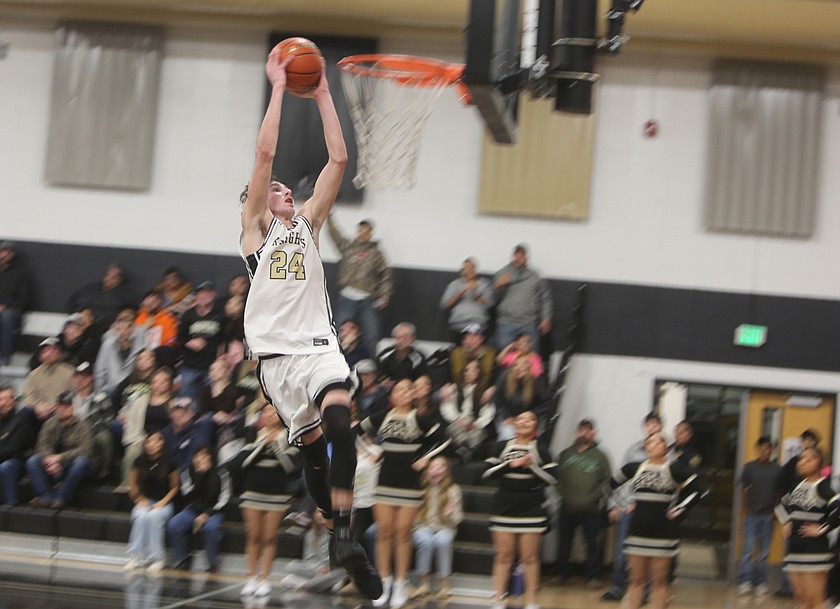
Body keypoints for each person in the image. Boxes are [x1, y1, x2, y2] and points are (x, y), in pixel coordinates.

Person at [238, 49, 380, 599]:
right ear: (255, 203)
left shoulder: (308, 226)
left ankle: (344, 536)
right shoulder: (256, 233)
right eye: (274, 189)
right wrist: (278, 86)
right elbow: (264, 152)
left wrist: (322, 94)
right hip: (278, 362)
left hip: (319, 347)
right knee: (313, 451)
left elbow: (338, 159)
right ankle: (329, 522)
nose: (284, 191)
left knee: (341, 423)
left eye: (285, 188)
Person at [359, 379, 450, 608]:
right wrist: (372, 450)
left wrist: (425, 458)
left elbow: (444, 439)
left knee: (402, 534)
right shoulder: (383, 416)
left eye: (406, 390)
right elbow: (356, 430)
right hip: (385, 481)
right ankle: (384, 581)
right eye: (397, 390)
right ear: (393, 395)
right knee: (383, 533)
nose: (401, 393)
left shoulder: (420, 418)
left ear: (413, 394)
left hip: (409, 483)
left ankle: (400, 583)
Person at [609, 431, 703, 609]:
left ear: (665, 447)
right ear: (645, 446)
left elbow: (698, 491)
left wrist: (679, 509)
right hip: (637, 530)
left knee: (659, 581)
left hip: (663, 532)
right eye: (650, 442)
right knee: (636, 580)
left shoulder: (674, 469)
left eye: (658, 442)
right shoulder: (634, 468)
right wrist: (623, 505)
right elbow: (610, 485)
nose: (653, 445)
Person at [483, 410, 558, 609]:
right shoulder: (500, 446)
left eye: (530, 419)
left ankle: (531, 602)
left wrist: (531, 466)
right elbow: (486, 473)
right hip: (504, 507)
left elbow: (552, 479)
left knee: (530, 558)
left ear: (535, 426)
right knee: (503, 556)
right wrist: (511, 464)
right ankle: (497, 600)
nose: (524, 422)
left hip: (531, 508)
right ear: (514, 424)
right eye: (520, 419)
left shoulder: (541, 449)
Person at [235, 404, 303, 598]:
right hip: (252, 491)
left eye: (274, 411)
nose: (270, 415)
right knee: (253, 536)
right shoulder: (253, 434)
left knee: (269, 537)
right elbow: (243, 462)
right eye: (266, 412)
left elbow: (291, 467)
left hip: (277, 494)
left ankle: (264, 579)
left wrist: (276, 446)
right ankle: (251, 577)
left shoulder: (290, 437)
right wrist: (263, 443)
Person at [601, 412, 663, 602]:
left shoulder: (667, 456)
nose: (652, 428)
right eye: (649, 424)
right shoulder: (633, 452)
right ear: (644, 427)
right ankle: (618, 587)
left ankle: (645, 591)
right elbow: (617, 482)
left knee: (649, 553)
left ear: (660, 427)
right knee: (622, 550)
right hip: (629, 508)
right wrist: (617, 505)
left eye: (655, 425)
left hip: (653, 512)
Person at [775, 446, 839, 609]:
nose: (801, 463)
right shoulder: (797, 486)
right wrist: (785, 522)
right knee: (801, 599)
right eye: (800, 459)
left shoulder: (822, 487)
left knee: (815, 601)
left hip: (814, 552)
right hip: (793, 550)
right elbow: (780, 506)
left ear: (816, 462)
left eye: (806, 459)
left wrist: (822, 528)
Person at [555, 418, 611, 585]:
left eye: (588, 430)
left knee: (592, 544)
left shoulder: (601, 456)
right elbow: (556, 478)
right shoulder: (565, 454)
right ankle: (562, 575)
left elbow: (606, 481)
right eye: (582, 430)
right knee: (564, 543)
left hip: (592, 509)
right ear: (577, 433)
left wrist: (594, 497)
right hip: (567, 507)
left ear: (594, 433)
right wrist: (564, 495)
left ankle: (592, 577)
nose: (584, 433)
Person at [326, 215, 393, 350]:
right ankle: (338, 361)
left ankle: (370, 362)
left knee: (372, 334)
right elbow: (334, 234)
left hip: (367, 299)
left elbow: (385, 275)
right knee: (340, 333)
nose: (364, 233)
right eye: (361, 230)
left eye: (367, 231)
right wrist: (329, 216)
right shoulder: (348, 247)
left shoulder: (376, 254)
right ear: (358, 231)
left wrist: (385, 295)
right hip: (347, 297)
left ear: (371, 233)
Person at [26, 390, 94, 509]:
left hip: (72, 464)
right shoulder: (49, 424)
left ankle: (62, 498)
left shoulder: (83, 425)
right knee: (33, 461)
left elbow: (85, 450)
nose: (63, 409)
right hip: (53, 463)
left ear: (73, 408)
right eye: (61, 406)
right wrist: (50, 460)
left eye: (67, 406)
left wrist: (59, 458)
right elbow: (42, 445)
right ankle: (47, 497)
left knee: (81, 462)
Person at [166, 445, 230, 572]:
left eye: (204, 456)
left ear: (211, 457)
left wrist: (207, 513)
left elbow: (224, 499)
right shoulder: (187, 472)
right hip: (193, 510)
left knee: (211, 528)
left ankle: (213, 562)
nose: (200, 459)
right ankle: (183, 558)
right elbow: (187, 496)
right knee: (174, 524)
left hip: (214, 511)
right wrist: (201, 476)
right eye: (197, 456)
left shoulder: (221, 473)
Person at [125, 431, 179, 572]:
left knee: (154, 516)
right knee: (140, 516)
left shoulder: (170, 462)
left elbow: (175, 487)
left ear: (162, 443)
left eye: (155, 441)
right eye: (149, 441)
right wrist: (138, 498)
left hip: (164, 502)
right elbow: (132, 484)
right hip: (144, 500)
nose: (151, 445)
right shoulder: (139, 460)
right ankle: (135, 557)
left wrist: (162, 502)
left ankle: (157, 558)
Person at [412, 456, 463, 599]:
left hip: (445, 527)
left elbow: (458, 519)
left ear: (446, 470)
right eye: (433, 467)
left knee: (442, 541)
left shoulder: (453, 490)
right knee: (425, 541)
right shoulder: (421, 488)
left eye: (441, 467)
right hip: (422, 526)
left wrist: (449, 515)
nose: (436, 470)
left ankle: (444, 584)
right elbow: (412, 518)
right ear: (427, 470)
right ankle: (424, 583)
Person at [737, 436, 781, 596]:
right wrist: (744, 509)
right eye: (762, 447)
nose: (765, 451)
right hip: (751, 514)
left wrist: (775, 511)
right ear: (758, 449)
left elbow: (779, 492)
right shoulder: (749, 467)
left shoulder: (777, 469)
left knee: (764, 552)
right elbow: (744, 489)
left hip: (767, 515)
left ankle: (761, 581)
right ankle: (745, 581)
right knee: (748, 549)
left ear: (772, 450)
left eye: (768, 448)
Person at [119, 366, 176, 486]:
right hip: (142, 437)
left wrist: (158, 439)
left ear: (169, 383)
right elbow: (131, 422)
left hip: (163, 439)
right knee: (133, 452)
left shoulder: (173, 403)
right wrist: (138, 439)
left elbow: (174, 425)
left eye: (163, 381)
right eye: (155, 381)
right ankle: (127, 486)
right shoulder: (141, 400)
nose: (158, 385)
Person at [492, 244, 552, 351]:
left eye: (522, 256)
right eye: (517, 255)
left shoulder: (535, 276)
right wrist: (498, 287)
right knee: (505, 356)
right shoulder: (502, 273)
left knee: (530, 357)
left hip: (529, 323)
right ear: (513, 256)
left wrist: (546, 318)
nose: (519, 259)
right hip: (506, 322)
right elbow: (494, 299)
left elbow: (545, 298)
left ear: (527, 257)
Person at [440, 359, 496, 462]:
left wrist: (477, 423)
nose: (473, 371)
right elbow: (447, 406)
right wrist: (457, 419)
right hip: (458, 421)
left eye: (476, 368)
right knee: (453, 430)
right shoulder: (455, 388)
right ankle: (462, 450)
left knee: (478, 434)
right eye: (468, 369)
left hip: (475, 423)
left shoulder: (484, 390)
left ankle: (466, 452)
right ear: (464, 372)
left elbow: (488, 411)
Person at [177, 280, 224, 400]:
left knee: (209, 400)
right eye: (201, 293)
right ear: (196, 296)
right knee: (185, 400)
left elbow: (224, 339)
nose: (204, 296)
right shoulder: (188, 315)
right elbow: (180, 337)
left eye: (208, 292)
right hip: (190, 365)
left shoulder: (220, 314)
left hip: (211, 367)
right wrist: (190, 342)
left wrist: (221, 359)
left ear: (214, 294)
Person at [66, 263, 132, 338]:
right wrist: (82, 312)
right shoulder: (91, 288)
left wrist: (93, 317)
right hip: (81, 324)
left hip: (105, 329)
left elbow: (126, 313)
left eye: (114, 277)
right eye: (108, 275)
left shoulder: (125, 296)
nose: (109, 279)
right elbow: (72, 302)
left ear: (120, 279)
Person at [0, 384, 41, 506]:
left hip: (19, 460)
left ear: (13, 401)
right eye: (1, 399)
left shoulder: (21, 420)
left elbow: (13, 449)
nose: (3, 403)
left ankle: (11, 504)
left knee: (6, 467)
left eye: (6, 399)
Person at [493, 355, 549, 441]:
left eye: (524, 364)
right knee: (508, 435)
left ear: (529, 367)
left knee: (529, 437)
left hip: (528, 418)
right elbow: (498, 399)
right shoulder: (505, 378)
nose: (520, 367)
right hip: (509, 416)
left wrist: (532, 414)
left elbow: (546, 402)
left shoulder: (537, 381)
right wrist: (506, 416)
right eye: (516, 365)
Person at [95, 307, 144, 397]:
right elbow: (100, 370)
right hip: (110, 389)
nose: (123, 332)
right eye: (119, 329)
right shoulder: (108, 345)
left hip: (130, 390)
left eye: (127, 328)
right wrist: (98, 391)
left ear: (132, 331)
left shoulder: (139, 348)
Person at [440, 258, 494, 340]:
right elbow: (444, 305)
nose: (469, 271)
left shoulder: (484, 284)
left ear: (476, 270)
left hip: (478, 324)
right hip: (458, 324)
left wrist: (476, 292)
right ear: (462, 271)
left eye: (472, 268)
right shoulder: (454, 285)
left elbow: (490, 304)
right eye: (467, 268)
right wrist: (460, 293)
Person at [0, 241, 32, 366]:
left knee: (6, 316)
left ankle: (5, 358)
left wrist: (5, 306)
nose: (5, 254)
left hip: (11, 311)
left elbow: (24, 298)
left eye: (8, 252)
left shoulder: (20, 274)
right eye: (3, 251)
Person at [21, 337, 75, 410]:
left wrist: (59, 405)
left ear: (60, 353)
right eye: (46, 351)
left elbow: (75, 394)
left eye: (55, 349)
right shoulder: (34, 374)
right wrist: (38, 406)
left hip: (64, 409)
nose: (51, 353)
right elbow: (29, 395)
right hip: (39, 411)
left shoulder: (70, 372)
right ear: (40, 356)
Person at [449, 323, 496, 389]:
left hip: (482, 389)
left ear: (481, 338)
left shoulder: (491, 354)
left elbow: (488, 378)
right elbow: (455, 376)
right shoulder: (456, 353)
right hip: (460, 388)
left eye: (473, 337)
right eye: (466, 337)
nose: (468, 340)